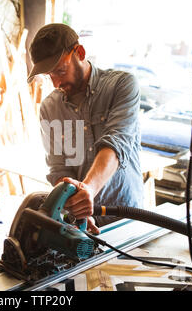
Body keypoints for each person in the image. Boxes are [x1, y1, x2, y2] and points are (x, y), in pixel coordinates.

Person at [27, 23, 143, 234]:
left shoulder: (121, 86)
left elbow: (116, 144)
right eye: (49, 76)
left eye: (60, 71)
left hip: (126, 218)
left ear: (79, 52)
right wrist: (75, 207)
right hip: (82, 224)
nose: (56, 83)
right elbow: (59, 168)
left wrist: (88, 188)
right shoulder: (50, 108)